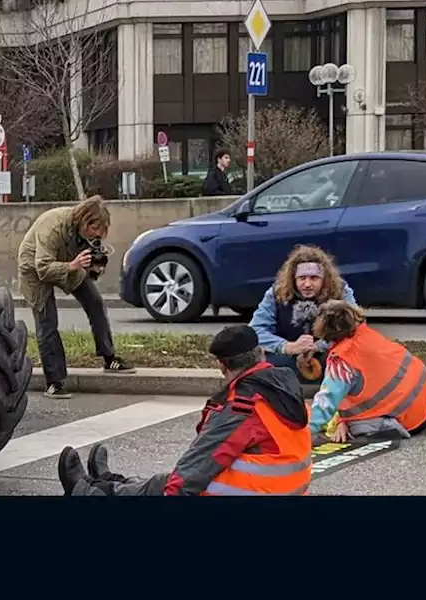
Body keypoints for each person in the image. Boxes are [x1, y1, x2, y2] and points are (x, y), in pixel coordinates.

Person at [55, 325, 312, 496]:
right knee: (163, 482)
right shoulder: (281, 384)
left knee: (167, 485)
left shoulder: (241, 407)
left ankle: (89, 492)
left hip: (258, 491)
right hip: (288, 487)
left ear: (222, 365)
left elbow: (192, 471)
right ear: (261, 354)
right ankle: (111, 482)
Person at [17, 195, 135, 400]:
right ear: (84, 221)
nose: (97, 235)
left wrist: (95, 269)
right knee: (47, 321)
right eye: (95, 229)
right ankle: (54, 381)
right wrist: (73, 265)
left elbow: (86, 268)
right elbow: (43, 268)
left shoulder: (87, 235)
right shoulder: (52, 226)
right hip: (35, 269)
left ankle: (109, 357)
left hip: (69, 263)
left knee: (95, 302)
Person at [307, 300, 426, 444]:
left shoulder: (343, 360)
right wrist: (341, 419)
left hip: (410, 419)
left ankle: (388, 428)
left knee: (355, 425)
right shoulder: (366, 335)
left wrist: (307, 432)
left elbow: (326, 401)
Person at [249, 244, 355, 379]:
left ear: (325, 279)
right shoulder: (277, 293)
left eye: (314, 278)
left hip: (329, 355)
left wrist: (319, 346)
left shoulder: (340, 292)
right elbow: (256, 329)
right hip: (287, 357)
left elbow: (354, 327)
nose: (307, 284)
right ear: (293, 279)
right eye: (302, 278)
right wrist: (287, 347)